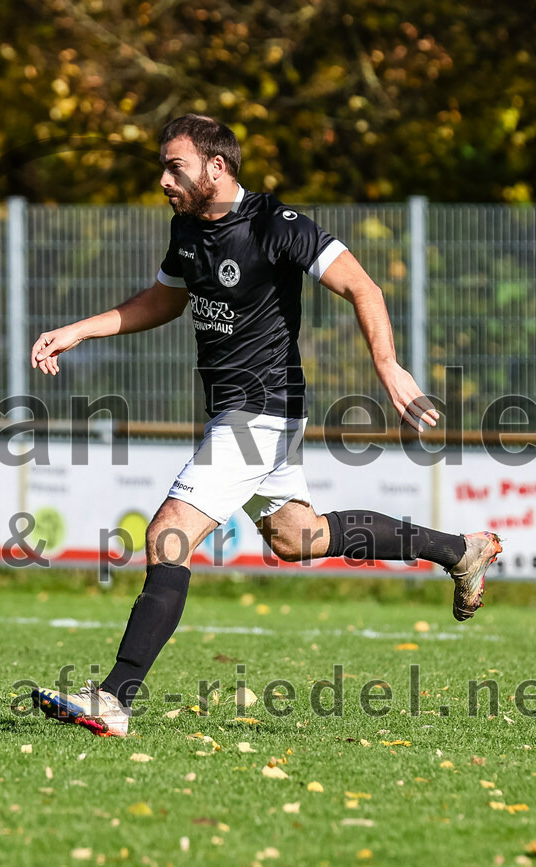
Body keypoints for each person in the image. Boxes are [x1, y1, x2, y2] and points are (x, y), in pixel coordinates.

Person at [28, 114, 502, 738]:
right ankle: (458, 550)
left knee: (169, 533)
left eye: (175, 167)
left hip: (262, 411)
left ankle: (115, 697)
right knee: (297, 537)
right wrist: (80, 330)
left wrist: (388, 367)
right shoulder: (188, 228)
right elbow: (165, 298)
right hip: (243, 412)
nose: (164, 179)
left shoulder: (278, 225)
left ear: (216, 167)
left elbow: (363, 287)